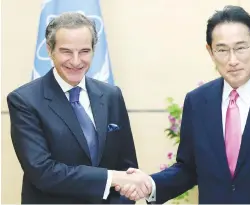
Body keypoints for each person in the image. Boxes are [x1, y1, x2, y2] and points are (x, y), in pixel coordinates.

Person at [116, 5, 250, 203]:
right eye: (222, 50)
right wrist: (151, 184)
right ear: (210, 51)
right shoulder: (197, 102)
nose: (232, 60)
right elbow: (188, 168)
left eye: (240, 48)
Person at [7, 12, 152, 204]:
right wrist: (112, 177)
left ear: (93, 50)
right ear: (50, 50)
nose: (76, 61)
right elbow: (43, 172)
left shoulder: (111, 96)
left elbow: (126, 167)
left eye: (84, 51)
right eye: (66, 51)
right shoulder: (24, 100)